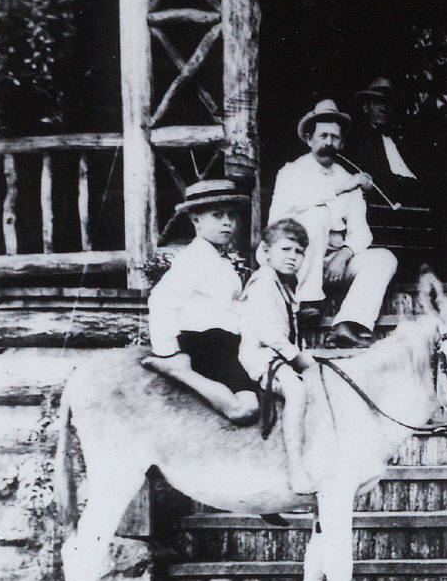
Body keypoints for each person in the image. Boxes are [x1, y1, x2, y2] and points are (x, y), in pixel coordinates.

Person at [343, 77, 447, 277]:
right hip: (391, 193)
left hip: (415, 189)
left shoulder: (401, 136)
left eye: (387, 103)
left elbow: (427, 165)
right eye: (378, 103)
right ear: (366, 107)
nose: (384, 108)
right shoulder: (361, 139)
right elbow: (375, 177)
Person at [268, 99, 399, 348]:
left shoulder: (346, 177)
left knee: (384, 258)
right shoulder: (291, 172)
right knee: (316, 216)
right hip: (295, 263)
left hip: (332, 264)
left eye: (335, 138)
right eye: (323, 136)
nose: (329, 143)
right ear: (309, 139)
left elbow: (361, 231)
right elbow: (282, 220)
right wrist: (341, 188)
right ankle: (308, 303)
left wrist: (345, 255)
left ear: (342, 142)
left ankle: (349, 324)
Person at [142, 179, 260, 426]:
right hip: (205, 343)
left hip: (227, 345)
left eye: (231, 216)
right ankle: (179, 373)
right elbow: (162, 299)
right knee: (245, 409)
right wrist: (169, 351)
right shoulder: (193, 259)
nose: (227, 222)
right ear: (196, 220)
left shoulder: (219, 260)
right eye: (217, 216)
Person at [238, 218, 317, 495]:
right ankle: (295, 468)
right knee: (296, 389)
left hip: (276, 353)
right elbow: (269, 333)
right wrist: (298, 358)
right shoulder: (263, 282)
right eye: (285, 249)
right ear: (266, 251)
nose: (292, 257)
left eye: (298, 252)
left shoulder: (283, 283)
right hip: (260, 355)